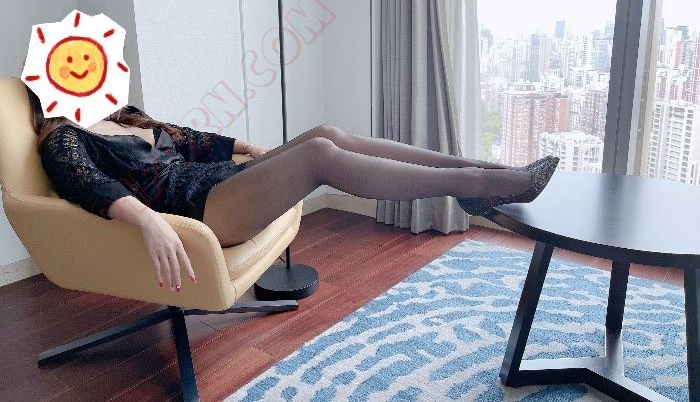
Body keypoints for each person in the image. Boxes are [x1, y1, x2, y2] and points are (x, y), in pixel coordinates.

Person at [26, 85, 558, 295]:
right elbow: (88, 184)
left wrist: (262, 153)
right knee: (320, 155)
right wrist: (146, 220)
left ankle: (477, 168)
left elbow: (193, 141)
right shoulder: (65, 138)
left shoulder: (124, 117)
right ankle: (478, 184)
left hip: (217, 182)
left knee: (324, 132)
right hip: (196, 209)